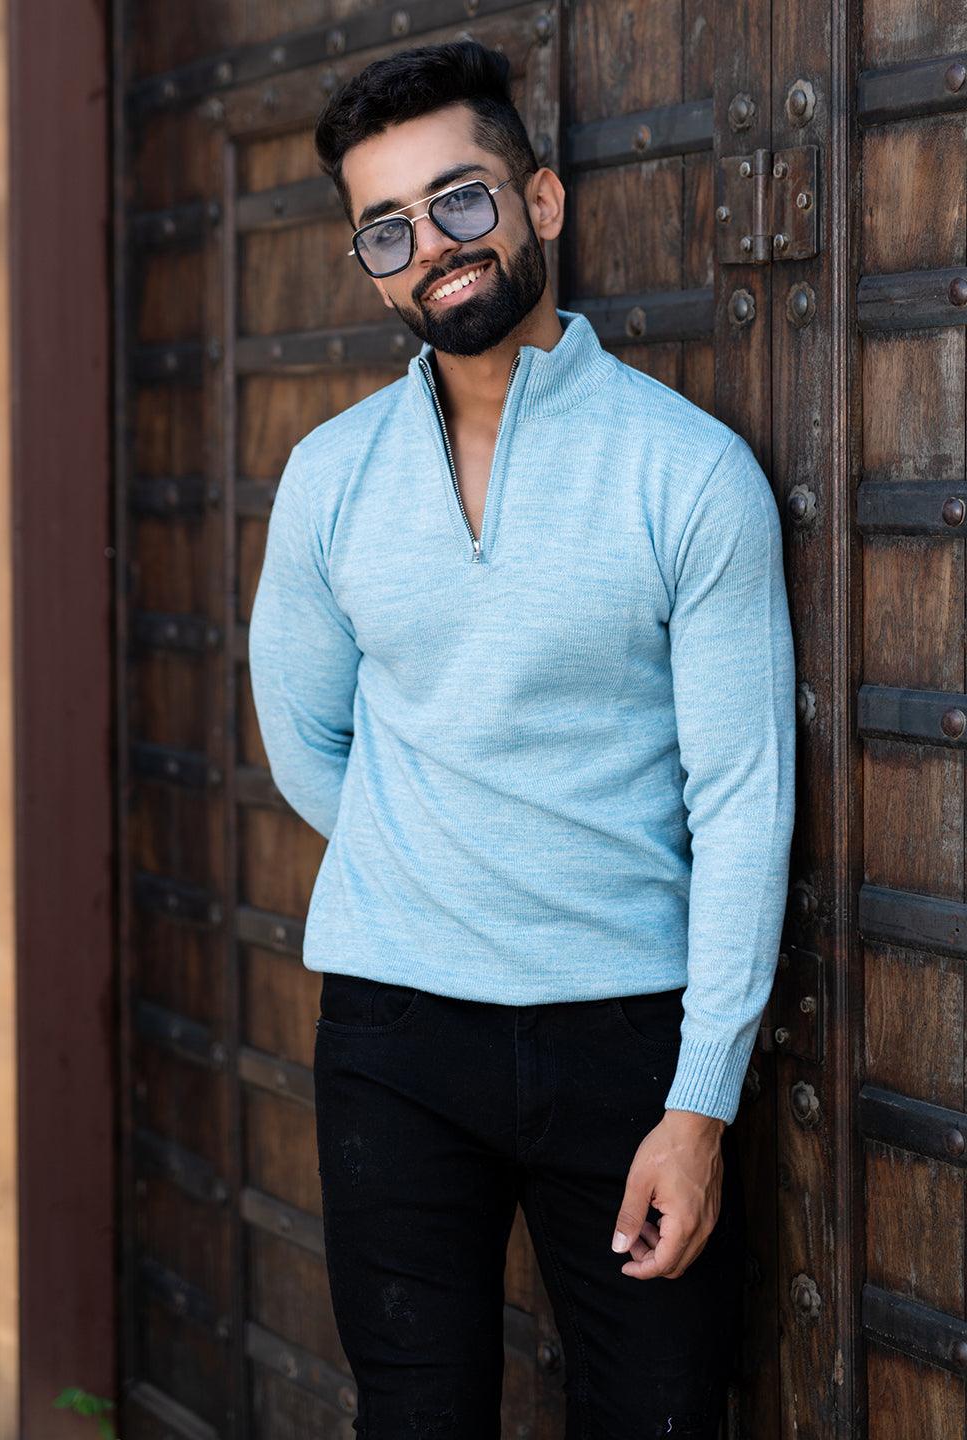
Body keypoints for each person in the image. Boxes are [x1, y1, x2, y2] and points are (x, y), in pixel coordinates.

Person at [247, 37, 796, 1440]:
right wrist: (435, 859)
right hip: (392, 1032)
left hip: (628, 1038)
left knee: (660, 1413)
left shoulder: (690, 473)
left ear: (540, 200)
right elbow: (302, 737)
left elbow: (743, 799)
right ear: (371, 268)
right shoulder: (328, 479)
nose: (431, 246)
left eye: (461, 200)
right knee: (413, 1416)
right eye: (388, 227)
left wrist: (701, 1104)